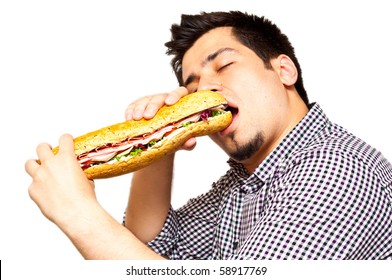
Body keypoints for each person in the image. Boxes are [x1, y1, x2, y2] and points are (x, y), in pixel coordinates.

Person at [25, 11, 392, 260]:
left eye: (224, 65)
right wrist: (158, 139)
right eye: (192, 85)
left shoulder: (338, 167)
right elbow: (147, 248)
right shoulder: (243, 183)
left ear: (284, 70)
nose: (205, 92)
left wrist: (77, 214)